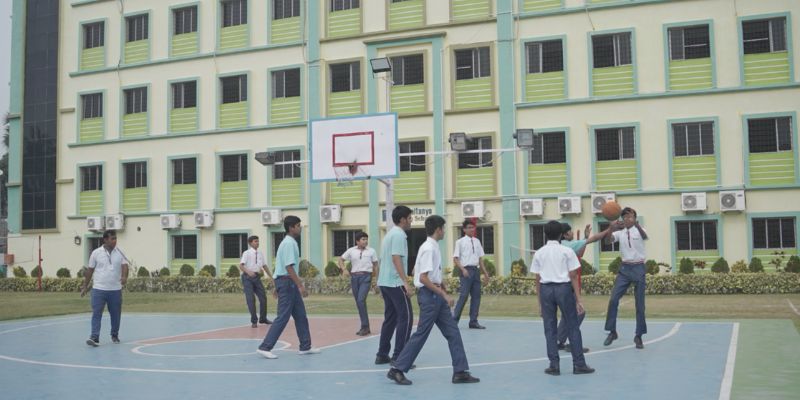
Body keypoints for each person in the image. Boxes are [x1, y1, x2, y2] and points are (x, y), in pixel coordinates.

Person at [387, 215, 480, 385]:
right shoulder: (429, 248)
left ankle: (460, 371)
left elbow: (426, 273)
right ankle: (397, 369)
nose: (444, 231)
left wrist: (441, 283)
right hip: (430, 297)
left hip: (435, 295)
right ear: (438, 230)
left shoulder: (432, 246)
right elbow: (423, 278)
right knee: (422, 334)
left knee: (453, 332)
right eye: (443, 228)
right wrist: (443, 294)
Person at [530, 220, 595, 376]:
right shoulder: (567, 251)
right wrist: (578, 299)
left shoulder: (539, 252)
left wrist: (539, 303)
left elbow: (537, 279)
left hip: (546, 290)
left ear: (545, 234)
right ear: (561, 234)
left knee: (549, 328)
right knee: (572, 326)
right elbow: (573, 275)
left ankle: (554, 366)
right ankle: (579, 364)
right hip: (563, 289)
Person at [257, 216, 320, 359]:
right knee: (283, 316)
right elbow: (288, 267)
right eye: (298, 225)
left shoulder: (289, 242)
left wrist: (277, 285)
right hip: (287, 283)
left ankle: (305, 346)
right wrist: (300, 285)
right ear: (291, 227)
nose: (300, 228)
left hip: (286, 282)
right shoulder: (289, 243)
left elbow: (280, 265)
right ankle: (265, 347)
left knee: (300, 315)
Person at [556, 223, 611, 353]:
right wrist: (609, 230)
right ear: (565, 235)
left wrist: (585, 237)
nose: (572, 233)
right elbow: (594, 239)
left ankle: (559, 341)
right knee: (579, 313)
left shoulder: (559, 247)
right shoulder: (568, 246)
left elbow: (580, 252)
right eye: (570, 231)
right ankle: (572, 342)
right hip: (567, 286)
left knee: (566, 315)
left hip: (557, 288)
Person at [603, 206, 649, 349]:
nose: (628, 219)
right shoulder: (620, 233)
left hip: (638, 268)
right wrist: (611, 228)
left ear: (635, 218)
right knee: (613, 299)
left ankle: (638, 336)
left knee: (640, 305)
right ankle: (612, 332)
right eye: (625, 217)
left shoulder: (640, 230)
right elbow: (607, 241)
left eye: (631, 216)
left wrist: (636, 225)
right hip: (624, 269)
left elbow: (645, 237)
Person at [375, 206, 414, 365]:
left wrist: (379, 282)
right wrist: (405, 282)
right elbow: (395, 258)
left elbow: (383, 259)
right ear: (403, 219)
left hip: (385, 282)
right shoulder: (399, 235)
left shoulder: (389, 234)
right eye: (410, 218)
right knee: (406, 318)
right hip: (395, 283)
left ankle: (382, 354)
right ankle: (400, 357)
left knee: (390, 319)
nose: (411, 221)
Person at [80, 230, 129, 347]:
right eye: (112, 238)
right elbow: (90, 271)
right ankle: (94, 337)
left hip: (115, 290)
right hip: (99, 289)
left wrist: (124, 277)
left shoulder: (120, 252)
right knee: (96, 313)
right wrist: (85, 286)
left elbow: (125, 266)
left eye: (116, 238)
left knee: (115, 314)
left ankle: (114, 335)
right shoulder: (96, 253)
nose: (115, 241)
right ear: (105, 240)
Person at [338, 231, 379, 336]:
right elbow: (341, 260)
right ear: (357, 241)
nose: (365, 241)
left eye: (366, 239)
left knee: (361, 300)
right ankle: (365, 327)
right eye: (363, 239)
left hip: (366, 277)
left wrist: (377, 279)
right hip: (354, 278)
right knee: (359, 303)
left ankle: (364, 327)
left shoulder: (372, 251)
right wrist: (344, 269)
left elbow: (375, 265)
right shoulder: (351, 251)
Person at [452, 218, 490, 329]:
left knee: (476, 296)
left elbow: (480, 259)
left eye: (472, 227)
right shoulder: (460, 242)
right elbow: (455, 258)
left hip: (475, 270)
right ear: (464, 229)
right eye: (469, 227)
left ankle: (473, 321)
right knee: (463, 295)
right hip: (466, 270)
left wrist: (485, 273)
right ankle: (454, 321)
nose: (471, 229)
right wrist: (463, 269)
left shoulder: (477, 241)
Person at [240, 235, 274, 328]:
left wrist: (271, 277)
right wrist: (248, 272)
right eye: (255, 241)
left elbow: (264, 266)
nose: (257, 243)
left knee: (263, 297)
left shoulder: (260, 254)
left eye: (258, 241)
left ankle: (263, 319)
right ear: (250, 243)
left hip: (257, 277)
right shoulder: (246, 253)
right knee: (251, 299)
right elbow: (241, 266)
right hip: (247, 278)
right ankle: (254, 321)